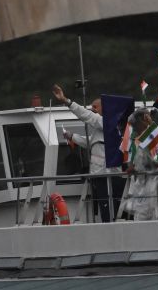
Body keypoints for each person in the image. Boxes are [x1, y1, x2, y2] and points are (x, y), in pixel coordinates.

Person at [52, 83, 124, 223]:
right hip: (101, 173)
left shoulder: (107, 122)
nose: (92, 109)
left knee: (110, 210)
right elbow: (90, 141)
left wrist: (67, 101)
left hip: (108, 174)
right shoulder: (102, 128)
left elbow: (86, 116)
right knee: (105, 209)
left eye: (95, 107)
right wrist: (71, 136)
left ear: (106, 108)